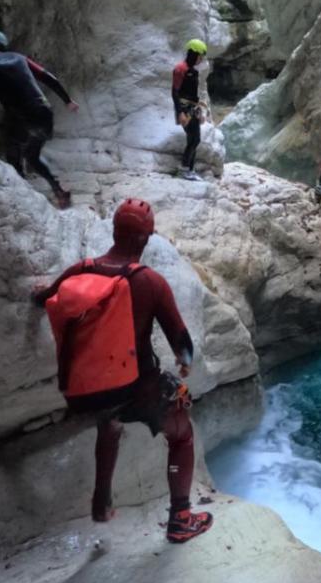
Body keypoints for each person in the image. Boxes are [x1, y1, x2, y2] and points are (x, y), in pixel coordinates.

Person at [31, 197, 214, 544]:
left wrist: (39, 292)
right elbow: (182, 343)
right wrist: (185, 364)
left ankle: (102, 502)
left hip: (85, 391)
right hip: (136, 389)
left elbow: (45, 299)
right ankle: (181, 518)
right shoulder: (149, 282)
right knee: (181, 434)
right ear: (146, 238)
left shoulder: (80, 270)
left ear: (114, 231)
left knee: (110, 422)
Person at [0, 30, 79, 208]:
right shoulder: (20, 58)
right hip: (44, 113)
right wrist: (67, 100)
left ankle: (23, 197)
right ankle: (58, 189)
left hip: (22, 118)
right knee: (32, 156)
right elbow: (48, 78)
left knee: (12, 152)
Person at [171, 38, 208, 181]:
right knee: (194, 139)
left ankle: (190, 170)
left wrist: (200, 106)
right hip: (184, 108)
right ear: (193, 54)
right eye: (200, 56)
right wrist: (180, 112)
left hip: (193, 107)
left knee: (193, 139)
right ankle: (184, 169)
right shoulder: (180, 69)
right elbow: (175, 92)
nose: (201, 59)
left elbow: (191, 93)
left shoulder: (193, 71)